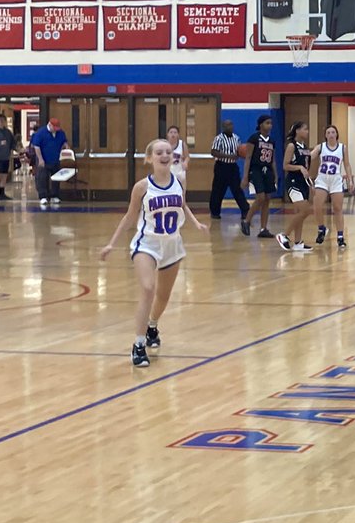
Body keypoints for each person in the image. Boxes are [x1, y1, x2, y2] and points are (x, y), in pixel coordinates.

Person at [100, 138, 207, 367]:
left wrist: (196, 223)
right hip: (146, 244)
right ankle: (138, 345)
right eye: (159, 152)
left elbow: (183, 205)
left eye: (168, 151)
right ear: (150, 158)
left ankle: (152, 326)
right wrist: (111, 243)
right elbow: (130, 217)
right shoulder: (142, 187)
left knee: (163, 296)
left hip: (172, 244)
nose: (165, 155)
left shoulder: (179, 181)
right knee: (148, 289)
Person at [312, 125, 355, 248]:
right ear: (325, 135)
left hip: (336, 180)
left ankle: (340, 236)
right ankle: (321, 229)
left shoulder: (342, 148)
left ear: (336, 134)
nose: (331, 134)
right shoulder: (321, 147)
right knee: (317, 206)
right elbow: (310, 156)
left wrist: (350, 180)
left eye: (333, 132)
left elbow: (347, 165)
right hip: (322, 179)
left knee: (337, 208)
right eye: (328, 132)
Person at [275, 121, 314, 252]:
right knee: (306, 211)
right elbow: (285, 166)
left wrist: (309, 180)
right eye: (305, 129)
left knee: (301, 213)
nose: (307, 131)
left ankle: (298, 242)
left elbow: (307, 166)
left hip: (303, 182)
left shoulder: (305, 146)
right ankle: (284, 235)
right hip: (293, 182)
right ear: (297, 131)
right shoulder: (292, 146)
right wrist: (299, 167)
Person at [241, 115, 277, 238]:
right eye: (267, 123)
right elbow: (248, 157)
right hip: (256, 170)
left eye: (271, 123)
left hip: (268, 171)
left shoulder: (272, 140)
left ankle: (263, 229)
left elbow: (273, 160)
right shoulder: (254, 138)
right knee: (260, 197)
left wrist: (275, 175)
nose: (270, 125)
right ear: (261, 124)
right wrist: (245, 176)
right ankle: (246, 220)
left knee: (267, 199)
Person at [209, 119, 250, 220]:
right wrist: (228, 156)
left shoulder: (237, 138)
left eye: (231, 124)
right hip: (221, 166)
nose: (229, 127)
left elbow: (239, 151)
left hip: (232, 167)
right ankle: (215, 212)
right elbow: (214, 152)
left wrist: (241, 154)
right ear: (223, 127)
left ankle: (245, 210)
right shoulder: (219, 138)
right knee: (218, 190)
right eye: (227, 125)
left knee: (237, 189)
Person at [31, 117, 69, 206]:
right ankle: (43, 196)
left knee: (56, 178)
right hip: (44, 160)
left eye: (57, 128)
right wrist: (40, 159)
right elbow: (36, 147)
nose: (56, 130)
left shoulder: (60, 133)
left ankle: (54, 195)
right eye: (54, 128)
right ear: (50, 125)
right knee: (42, 178)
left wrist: (66, 147)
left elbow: (64, 142)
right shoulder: (41, 133)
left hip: (55, 159)